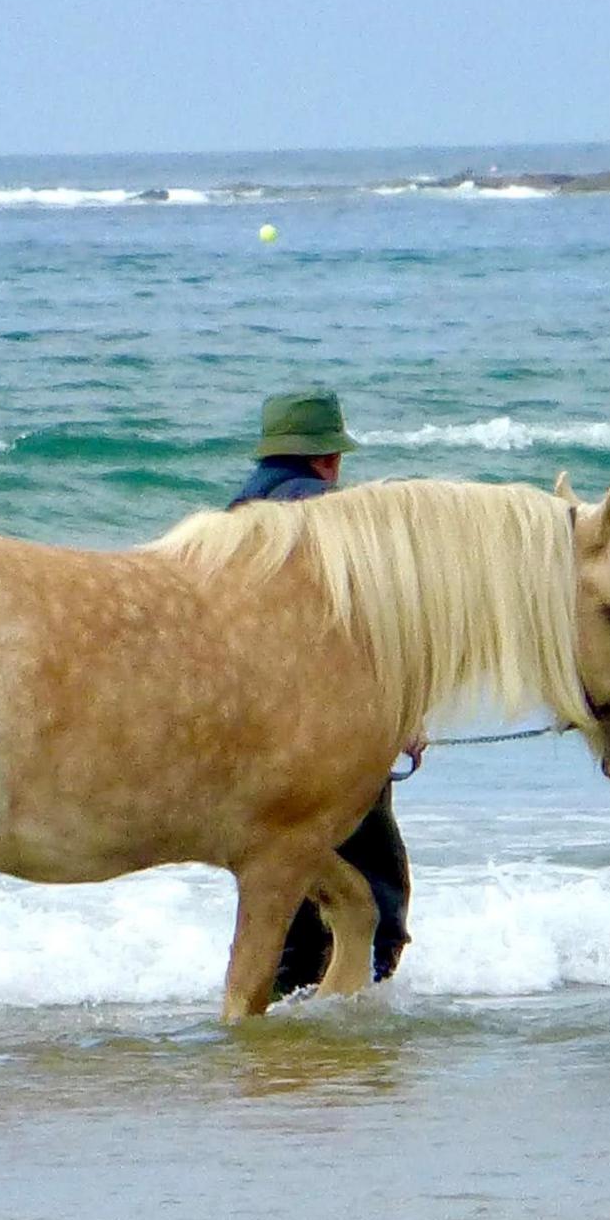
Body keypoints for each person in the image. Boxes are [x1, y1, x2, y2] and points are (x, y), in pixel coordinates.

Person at [228, 385, 411, 996]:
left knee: (285, 892)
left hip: (253, 739)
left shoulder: (236, 521)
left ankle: (287, 1012)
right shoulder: (335, 524)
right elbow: (363, 633)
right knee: (378, 890)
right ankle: (353, 1017)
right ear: (327, 459)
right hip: (330, 737)